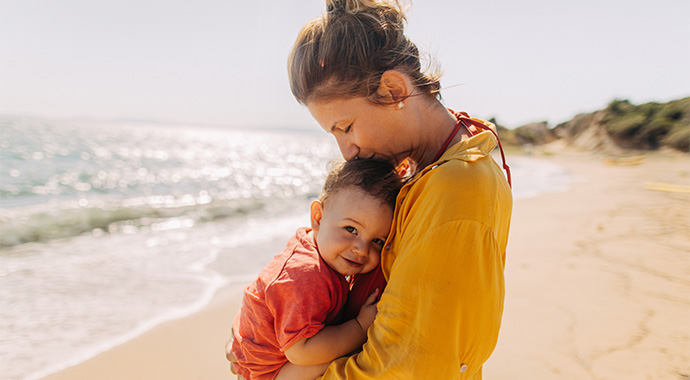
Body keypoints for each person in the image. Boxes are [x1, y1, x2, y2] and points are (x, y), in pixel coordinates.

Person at [283, 0, 513, 378]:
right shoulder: (431, 166)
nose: (347, 152)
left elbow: (409, 365)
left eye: (347, 127)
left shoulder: (458, 185)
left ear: (392, 91)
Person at [230, 159, 404, 380]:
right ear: (318, 218)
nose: (361, 249)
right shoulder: (306, 275)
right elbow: (301, 351)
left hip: (263, 351)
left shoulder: (318, 245)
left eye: (378, 241)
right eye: (351, 229)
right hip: (267, 372)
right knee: (335, 357)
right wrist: (360, 327)